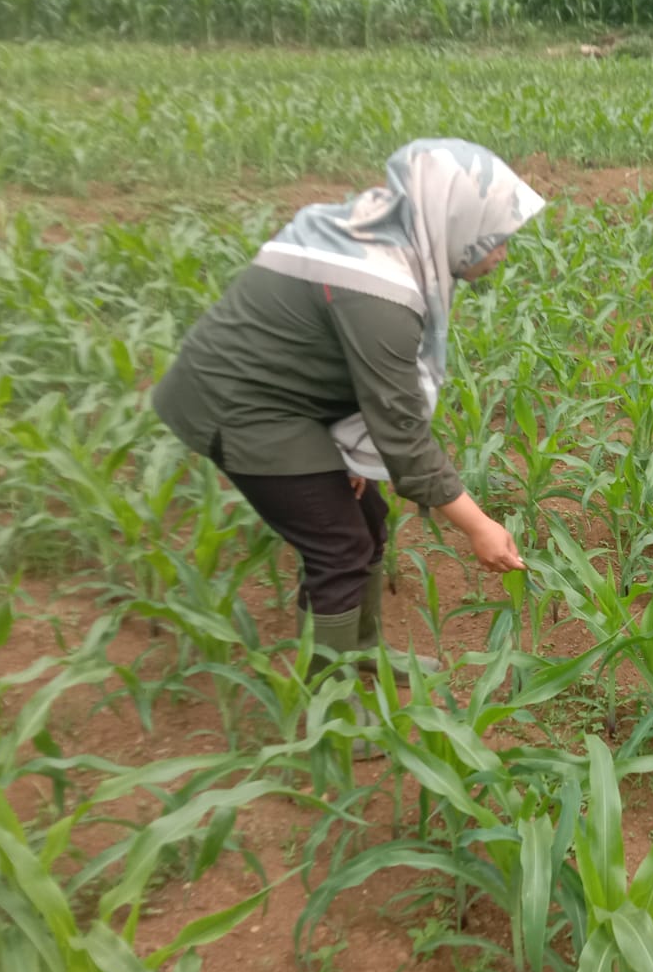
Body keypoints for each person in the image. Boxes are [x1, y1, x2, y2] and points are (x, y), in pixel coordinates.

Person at [153, 139, 537, 696]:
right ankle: (329, 706)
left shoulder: (378, 236)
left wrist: (349, 449)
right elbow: (402, 436)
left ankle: (360, 652)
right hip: (240, 406)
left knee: (369, 517)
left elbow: (338, 361)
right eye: (494, 239)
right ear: (453, 222)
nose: (501, 253)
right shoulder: (379, 289)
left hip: (289, 397)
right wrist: (479, 527)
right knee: (338, 544)